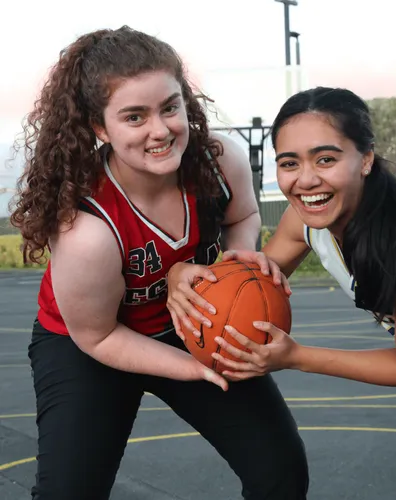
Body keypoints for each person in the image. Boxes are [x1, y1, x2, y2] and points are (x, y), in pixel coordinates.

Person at [10, 26, 309, 500]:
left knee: (282, 472)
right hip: (89, 347)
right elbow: (99, 336)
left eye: (170, 107)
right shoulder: (87, 228)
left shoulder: (218, 161)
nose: (160, 129)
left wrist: (239, 254)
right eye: (134, 116)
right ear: (100, 128)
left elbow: (245, 215)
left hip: (188, 322)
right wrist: (198, 369)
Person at [172, 87, 396, 499]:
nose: (306, 179)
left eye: (325, 159)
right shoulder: (304, 220)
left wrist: (296, 357)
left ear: (365, 159)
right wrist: (179, 276)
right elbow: (250, 283)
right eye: (289, 163)